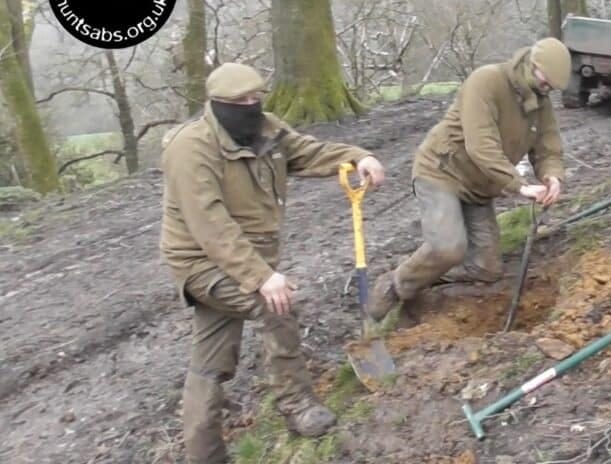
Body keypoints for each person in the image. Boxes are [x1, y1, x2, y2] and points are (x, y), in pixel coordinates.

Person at [159, 62, 385, 464]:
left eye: (254, 99)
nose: (249, 107)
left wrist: (357, 156)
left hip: (242, 259)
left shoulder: (264, 128)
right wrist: (261, 277)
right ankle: (297, 406)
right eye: (239, 102)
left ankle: (203, 455)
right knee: (275, 307)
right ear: (216, 104)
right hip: (202, 262)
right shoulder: (190, 148)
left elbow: (306, 151)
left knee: (211, 361)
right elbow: (210, 225)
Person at [366, 38, 571, 321]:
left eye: (551, 87)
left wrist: (552, 176)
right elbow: (481, 146)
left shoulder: (540, 101)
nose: (547, 90)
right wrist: (520, 185)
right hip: (442, 172)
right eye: (545, 82)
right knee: (447, 247)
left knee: (486, 269)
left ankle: (424, 273)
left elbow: (548, 146)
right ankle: (394, 285)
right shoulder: (486, 82)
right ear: (531, 65)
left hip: (479, 188)